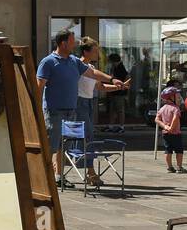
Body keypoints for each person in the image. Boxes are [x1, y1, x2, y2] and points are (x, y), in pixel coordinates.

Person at [38, 29, 117, 175]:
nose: (74, 45)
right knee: (50, 146)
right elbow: (39, 86)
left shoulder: (73, 61)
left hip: (70, 111)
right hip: (54, 111)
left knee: (63, 146)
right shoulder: (48, 62)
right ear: (63, 43)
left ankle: (58, 176)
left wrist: (112, 79)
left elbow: (92, 73)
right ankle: (43, 178)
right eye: (72, 42)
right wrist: (35, 110)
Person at [76, 38, 127, 134]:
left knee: (87, 131)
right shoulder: (77, 65)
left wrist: (119, 87)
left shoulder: (91, 67)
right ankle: (80, 149)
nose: (98, 54)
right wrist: (113, 80)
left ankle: (86, 148)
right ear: (86, 52)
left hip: (89, 101)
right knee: (82, 132)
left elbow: (100, 87)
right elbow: (94, 74)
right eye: (95, 51)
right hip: (79, 101)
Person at [156, 87, 185, 173]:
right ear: (171, 98)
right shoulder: (176, 108)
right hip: (176, 133)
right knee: (179, 150)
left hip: (166, 133)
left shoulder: (163, 108)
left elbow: (157, 119)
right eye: (178, 96)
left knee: (168, 150)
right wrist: (171, 128)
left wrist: (165, 126)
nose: (179, 98)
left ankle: (170, 167)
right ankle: (179, 167)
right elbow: (175, 119)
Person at [106, 52, 131, 125]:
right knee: (113, 109)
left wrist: (124, 86)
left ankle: (121, 126)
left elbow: (128, 77)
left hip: (120, 92)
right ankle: (111, 125)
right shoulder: (116, 67)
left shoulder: (121, 68)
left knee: (120, 110)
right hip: (115, 91)